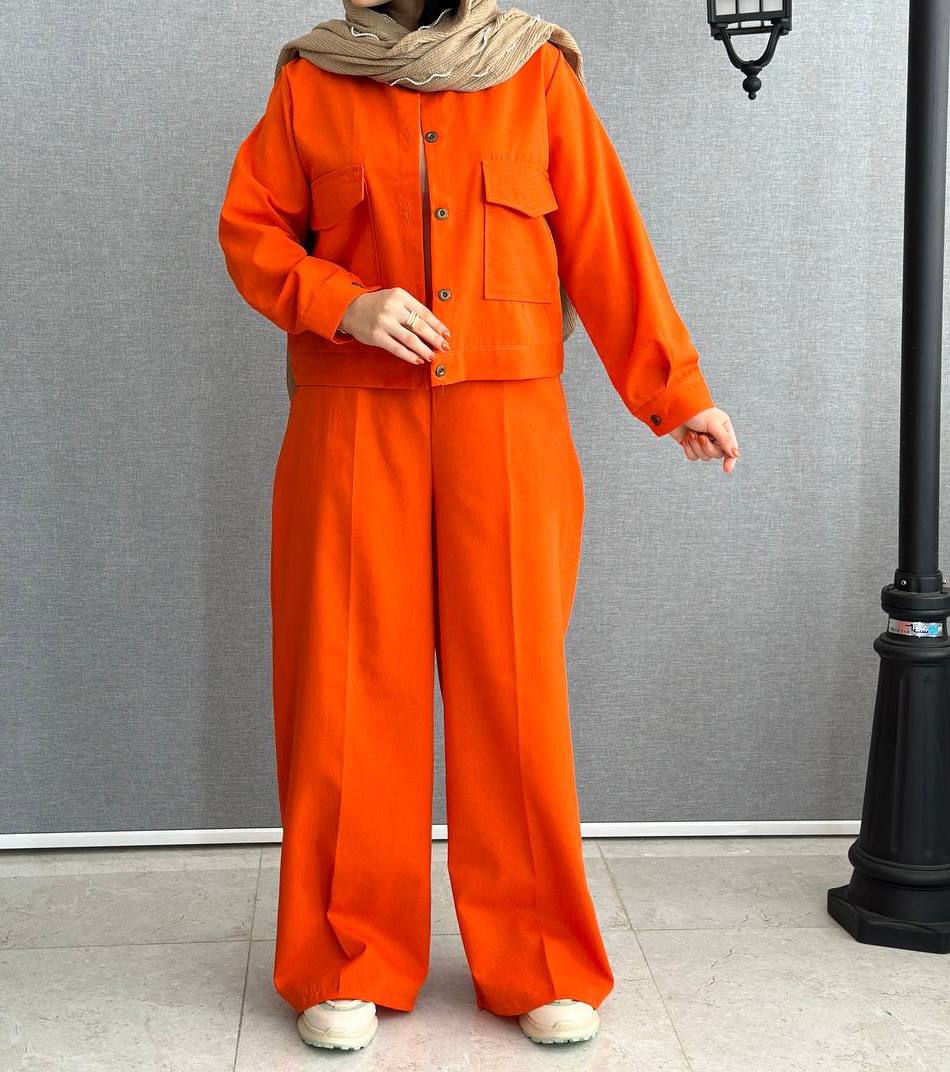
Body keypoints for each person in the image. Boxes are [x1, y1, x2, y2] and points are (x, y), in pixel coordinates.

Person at [217, 0, 740, 1052]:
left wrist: (675, 391)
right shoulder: (312, 81)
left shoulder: (533, 74)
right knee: (347, 687)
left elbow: (604, 239)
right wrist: (341, 300)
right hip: (351, 416)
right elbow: (251, 230)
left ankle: (540, 958)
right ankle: (346, 955)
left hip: (508, 423)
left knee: (515, 689)